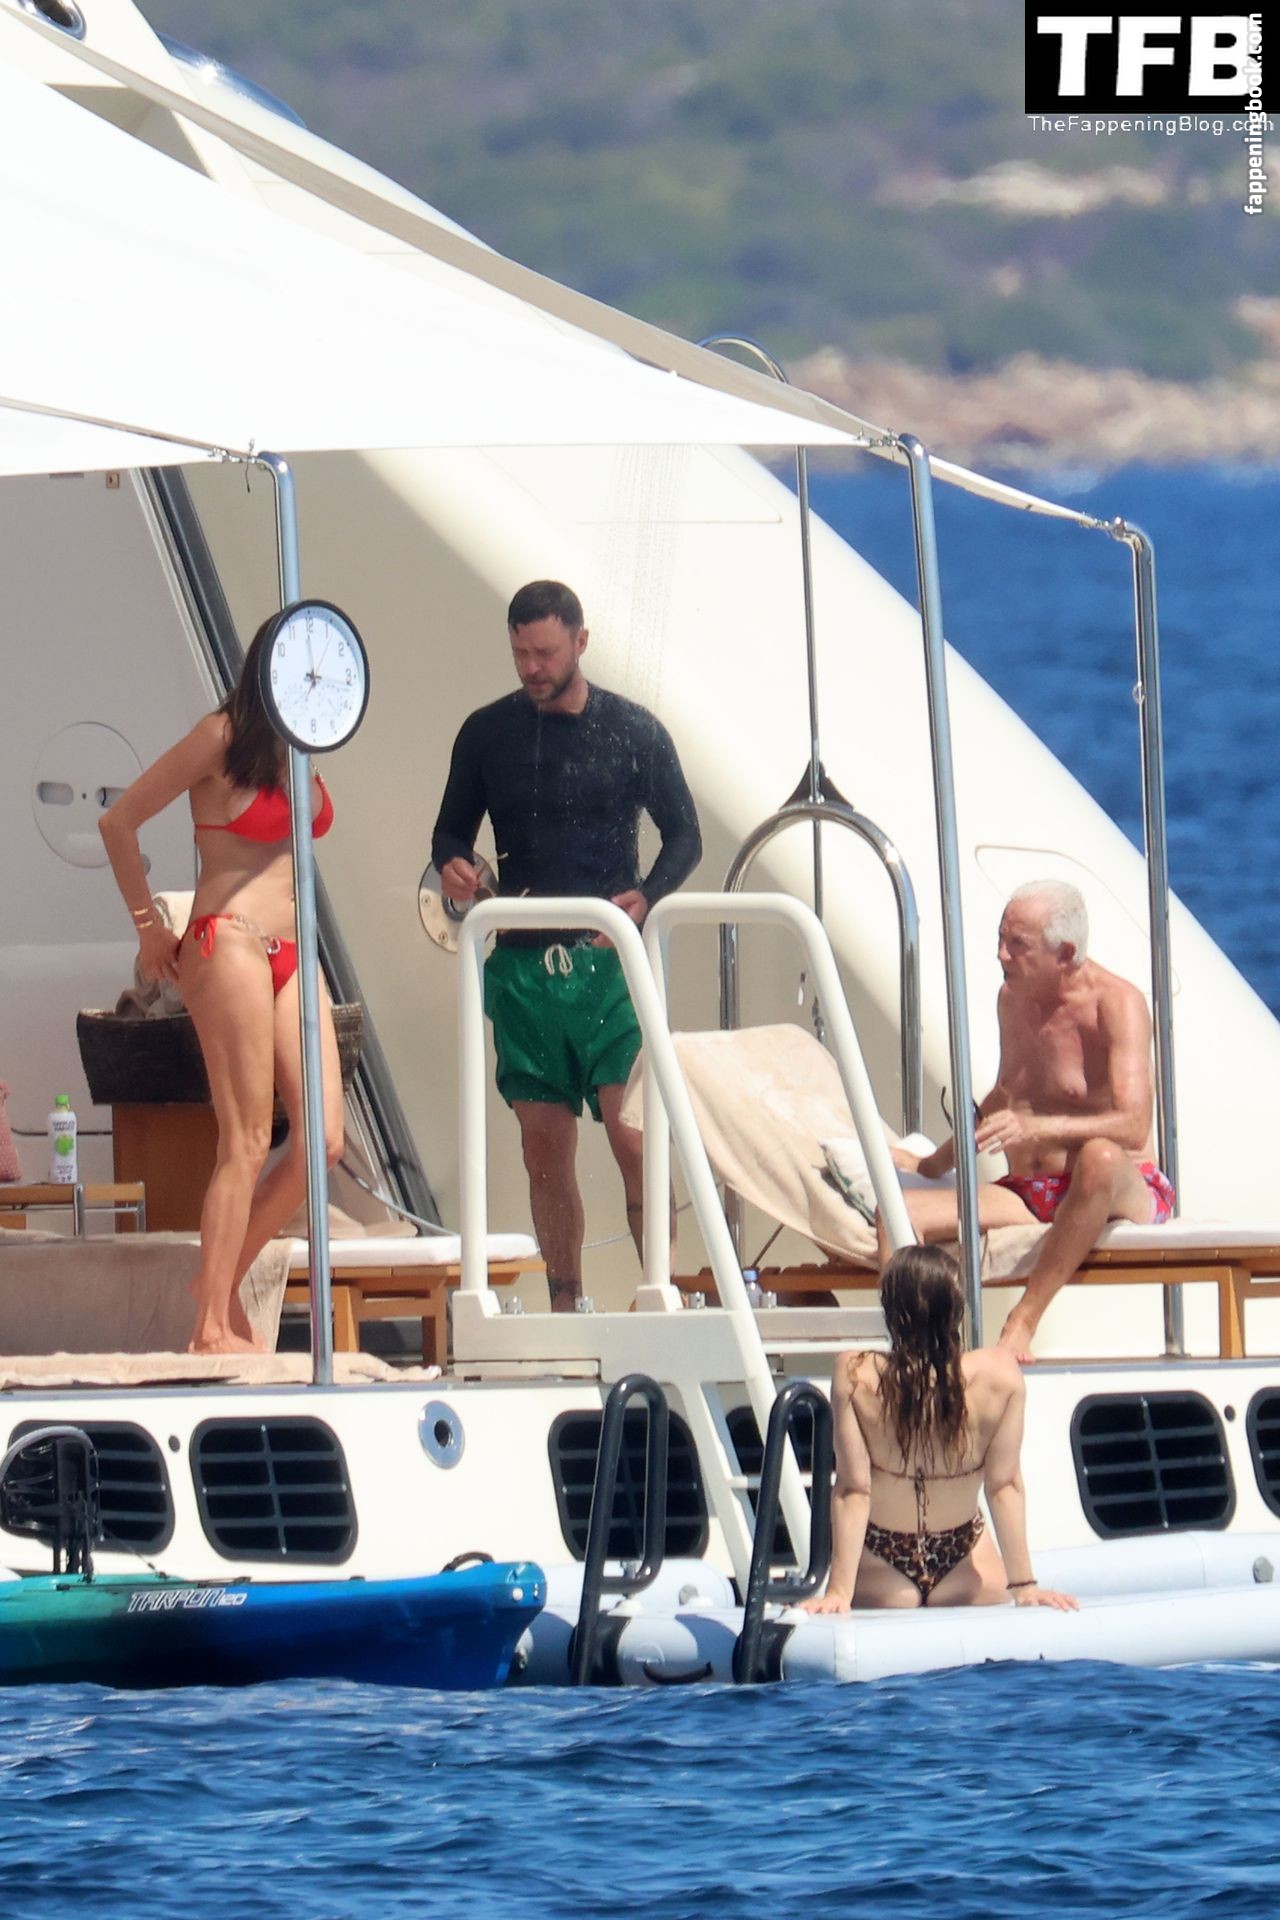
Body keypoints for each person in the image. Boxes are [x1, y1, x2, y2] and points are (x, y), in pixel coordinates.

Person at [431, 579, 701, 1312]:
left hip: (608, 963)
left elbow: (685, 834)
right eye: (520, 653)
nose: (532, 668)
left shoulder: (632, 731)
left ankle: (660, 1292)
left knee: (634, 1137)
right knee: (543, 1150)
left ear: (580, 642)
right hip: (524, 966)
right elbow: (451, 830)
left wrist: (649, 893)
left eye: (546, 653)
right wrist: (455, 864)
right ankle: (566, 1302)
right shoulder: (487, 733)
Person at [99, 619, 344, 1354]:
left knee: (323, 1143)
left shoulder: (303, 743)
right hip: (229, 938)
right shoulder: (220, 735)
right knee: (246, 1139)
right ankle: (208, 1326)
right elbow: (118, 822)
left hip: (294, 949)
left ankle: (217, 1282)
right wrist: (149, 927)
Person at [897, 879, 1174, 1359]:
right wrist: (932, 1165)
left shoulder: (1117, 1005)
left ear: (1065, 954)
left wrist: (1037, 1128)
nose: (1001, 954)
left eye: (1017, 945)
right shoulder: (1012, 999)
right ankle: (920, 1353)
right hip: (1032, 1192)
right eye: (1000, 939)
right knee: (895, 1214)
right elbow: (1006, 1093)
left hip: (1115, 1186)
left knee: (1101, 1158)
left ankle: (1023, 1319)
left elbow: (1134, 1126)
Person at [803, 1245, 1077, 1612]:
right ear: (957, 1309)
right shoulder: (1000, 1375)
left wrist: (839, 1592)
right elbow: (1004, 1486)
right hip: (966, 1558)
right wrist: (1025, 1586)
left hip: (883, 1558)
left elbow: (854, 1489)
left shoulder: (856, 1373)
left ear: (891, 1311)